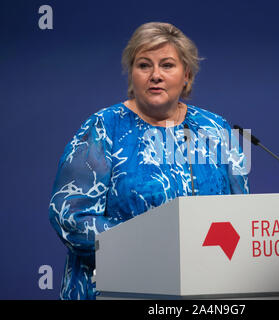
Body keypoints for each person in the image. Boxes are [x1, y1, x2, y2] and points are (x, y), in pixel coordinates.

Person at [49, 22, 250, 300]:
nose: (156, 75)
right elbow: (69, 217)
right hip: (117, 288)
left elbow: (240, 212)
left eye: (167, 65)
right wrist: (154, 244)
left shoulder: (215, 129)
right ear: (132, 76)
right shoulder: (104, 128)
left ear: (186, 76)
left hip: (203, 290)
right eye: (144, 65)